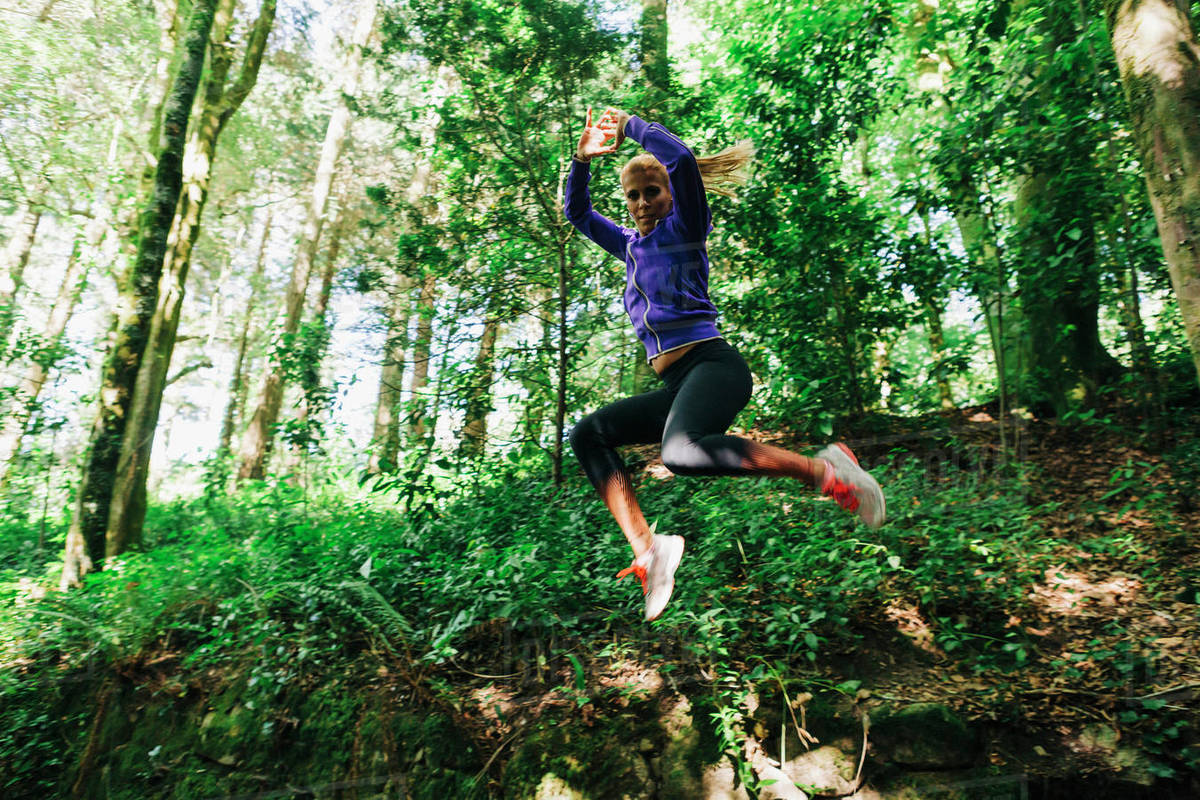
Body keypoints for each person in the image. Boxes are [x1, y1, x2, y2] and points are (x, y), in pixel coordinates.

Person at [564, 107, 885, 621]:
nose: (644, 202)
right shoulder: (629, 248)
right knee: (587, 435)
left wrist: (630, 126)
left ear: (670, 195)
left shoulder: (685, 227)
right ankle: (649, 550)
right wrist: (582, 159)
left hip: (714, 366)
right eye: (634, 195)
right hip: (675, 386)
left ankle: (828, 471)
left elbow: (684, 159)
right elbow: (578, 214)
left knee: (682, 453)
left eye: (653, 191)